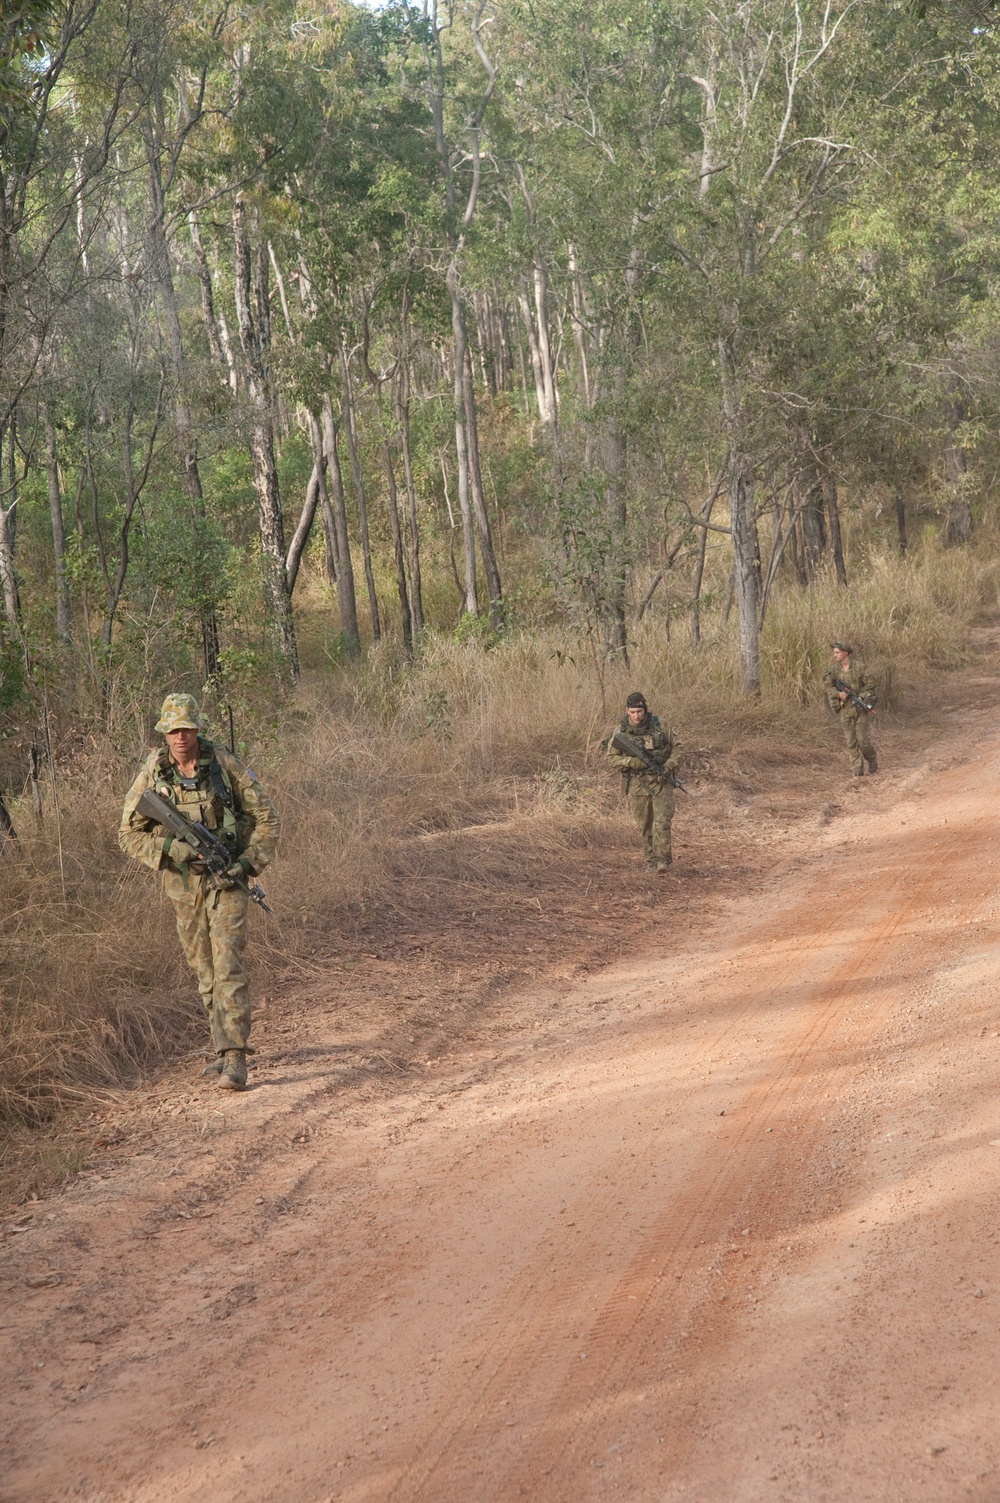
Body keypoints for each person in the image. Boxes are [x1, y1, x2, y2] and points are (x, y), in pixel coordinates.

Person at [119, 693, 280, 1090]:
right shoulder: (154, 772)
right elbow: (128, 833)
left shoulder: (223, 764)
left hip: (227, 879)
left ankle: (235, 1056)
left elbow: (266, 818)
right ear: (163, 732)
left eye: (186, 729)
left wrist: (246, 864)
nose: (180, 736)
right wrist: (173, 848)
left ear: (197, 729)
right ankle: (219, 1045)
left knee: (227, 964)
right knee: (203, 967)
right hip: (182, 884)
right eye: (173, 730)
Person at [606, 690, 683, 873]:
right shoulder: (621, 731)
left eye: (639, 712)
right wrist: (634, 762)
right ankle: (650, 861)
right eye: (632, 712)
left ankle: (662, 860)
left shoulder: (660, 725)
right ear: (627, 711)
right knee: (644, 824)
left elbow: (677, 747)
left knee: (662, 821)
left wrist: (668, 766)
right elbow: (611, 758)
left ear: (645, 710)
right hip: (638, 783)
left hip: (661, 780)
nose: (636, 716)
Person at [823, 642, 878, 777]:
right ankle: (857, 771)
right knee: (851, 742)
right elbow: (827, 686)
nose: (834, 655)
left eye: (837, 652)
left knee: (863, 741)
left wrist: (860, 696)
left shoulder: (860, 667)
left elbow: (871, 685)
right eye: (834, 652)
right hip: (845, 709)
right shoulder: (833, 670)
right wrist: (838, 694)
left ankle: (872, 759)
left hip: (860, 709)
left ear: (845, 652)